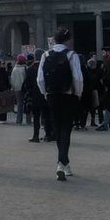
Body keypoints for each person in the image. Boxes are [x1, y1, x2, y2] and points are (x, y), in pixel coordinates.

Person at [37, 28, 84, 179]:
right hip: (68, 95)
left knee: (57, 127)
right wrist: (78, 93)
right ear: (67, 40)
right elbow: (77, 77)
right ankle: (61, 162)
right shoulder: (71, 55)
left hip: (52, 95)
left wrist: (45, 93)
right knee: (66, 128)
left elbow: (40, 79)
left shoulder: (45, 55)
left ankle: (64, 163)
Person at [9, 55, 27, 126]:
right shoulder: (25, 68)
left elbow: (12, 79)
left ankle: (19, 120)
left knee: (19, 104)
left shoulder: (14, 69)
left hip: (16, 88)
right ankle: (28, 119)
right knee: (26, 103)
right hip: (24, 88)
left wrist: (13, 87)